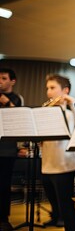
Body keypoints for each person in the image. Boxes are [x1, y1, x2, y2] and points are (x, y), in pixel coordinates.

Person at [41, 74, 75, 231]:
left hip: (65, 165)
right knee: (53, 201)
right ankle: (55, 217)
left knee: (66, 204)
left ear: (65, 90)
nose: (49, 92)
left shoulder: (70, 114)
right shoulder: (44, 112)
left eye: (53, 88)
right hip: (47, 164)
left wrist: (73, 102)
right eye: (47, 88)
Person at [0, 68, 23, 231]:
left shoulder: (16, 98)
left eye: (3, 78)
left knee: (3, 185)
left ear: (12, 81)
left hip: (7, 150)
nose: (0, 81)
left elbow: (20, 120)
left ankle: (3, 218)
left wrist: (6, 102)